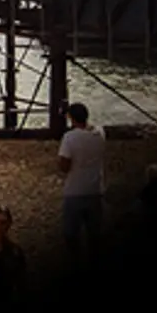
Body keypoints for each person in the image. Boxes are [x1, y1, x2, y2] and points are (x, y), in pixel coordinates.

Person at [58, 102, 107, 265]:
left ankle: (76, 263)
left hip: (75, 191)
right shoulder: (100, 133)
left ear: (71, 118)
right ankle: (95, 262)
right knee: (95, 233)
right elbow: (93, 129)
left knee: (71, 233)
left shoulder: (70, 138)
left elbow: (64, 166)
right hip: (95, 189)